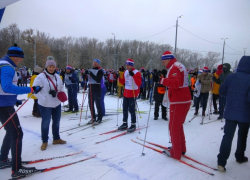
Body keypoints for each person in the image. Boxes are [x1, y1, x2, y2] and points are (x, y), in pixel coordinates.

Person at [0, 44, 42, 179]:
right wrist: (30, 89)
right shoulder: (7, 67)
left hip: (4, 103)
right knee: (17, 134)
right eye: (21, 58)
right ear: (15, 56)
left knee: (10, 132)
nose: (22, 61)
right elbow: (7, 87)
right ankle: (17, 169)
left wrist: (14, 100)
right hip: (4, 105)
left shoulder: (3, 63)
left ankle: (3, 159)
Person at [217, 56, 250, 172]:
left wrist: (232, 97)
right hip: (245, 114)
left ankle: (221, 162)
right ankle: (240, 157)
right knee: (242, 136)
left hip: (230, 112)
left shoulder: (230, 77)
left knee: (227, 136)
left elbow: (222, 91)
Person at [158, 51, 191, 160]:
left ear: (168, 59)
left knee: (173, 127)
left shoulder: (174, 67)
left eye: (163, 61)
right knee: (178, 125)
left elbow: (176, 83)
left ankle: (175, 153)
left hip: (179, 100)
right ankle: (181, 148)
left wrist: (161, 80)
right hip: (184, 99)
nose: (163, 64)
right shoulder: (178, 65)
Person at [33, 56, 66, 151]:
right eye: (49, 66)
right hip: (45, 104)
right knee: (45, 123)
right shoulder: (40, 77)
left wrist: (61, 93)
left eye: (53, 66)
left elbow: (61, 87)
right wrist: (43, 99)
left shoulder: (57, 76)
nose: (51, 68)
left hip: (56, 103)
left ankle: (56, 138)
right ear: (46, 67)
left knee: (56, 121)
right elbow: (35, 90)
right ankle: (44, 141)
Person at [118, 59, 142, 133]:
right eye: (126, 65)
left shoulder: (136, 72)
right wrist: (120, 74)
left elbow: (139, 83)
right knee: (124, 108)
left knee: (131, 109)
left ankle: (133, 124)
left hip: (133, 93)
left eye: (129, 65)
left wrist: (133, 75)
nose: (127, 66)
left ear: (132, 65)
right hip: (126, 93)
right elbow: (122, 82)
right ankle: (125, 123)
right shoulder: (126, 72)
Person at [85, 59, 104, 125]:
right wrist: (85, 73)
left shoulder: (100, 71)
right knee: (90, 104)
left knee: (98, 104)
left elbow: (98, 80)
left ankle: (99, 118)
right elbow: (86, 78)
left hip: (97, 89)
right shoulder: (90, 70)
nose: (95, 63)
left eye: (96, 62)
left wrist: (91, 74)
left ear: (98, 64)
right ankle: (93, 117)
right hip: (90, 89)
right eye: (94, 62)